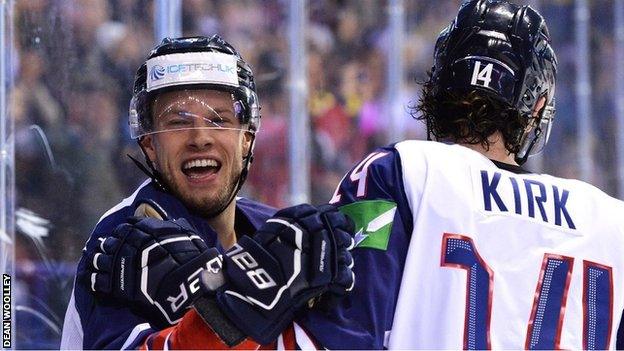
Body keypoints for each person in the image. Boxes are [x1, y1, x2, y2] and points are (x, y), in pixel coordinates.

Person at [296, 0, 624, 349]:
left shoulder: (401, 172)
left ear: (440, 83)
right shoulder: (610, 220)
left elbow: (342, 337)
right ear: (537, 106)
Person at [60, 35, 355, 349]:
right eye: (177, 122)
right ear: (150, 145)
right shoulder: (120, 241)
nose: (200, 137)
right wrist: (240, 309)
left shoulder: (274, 231)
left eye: (219, 120)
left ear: (247, 138)